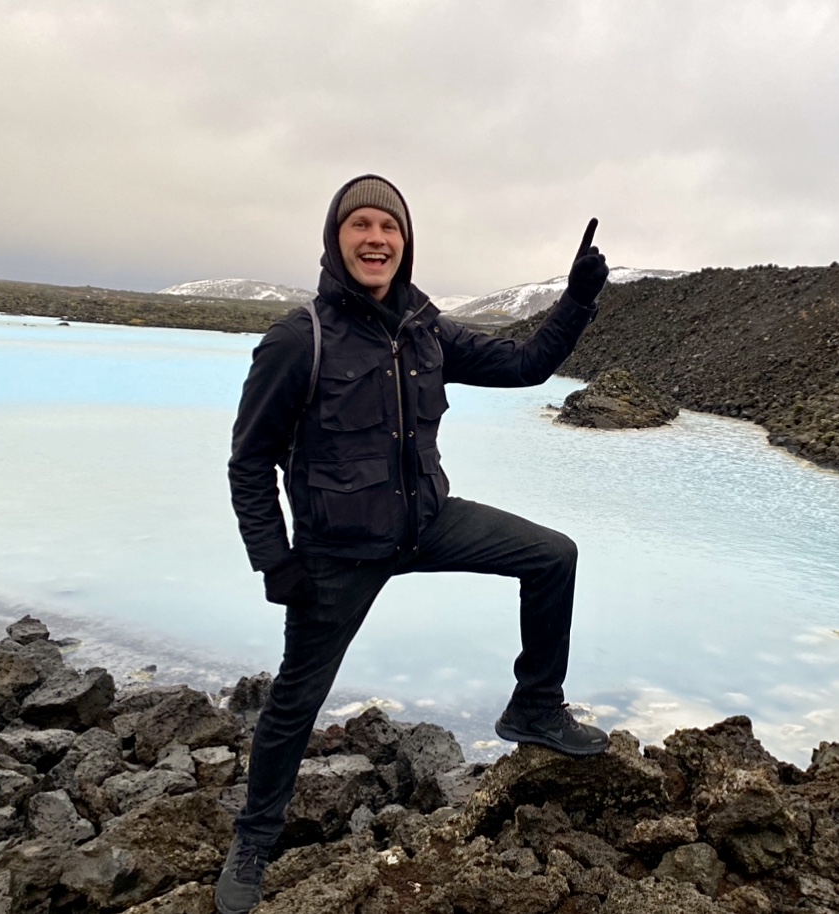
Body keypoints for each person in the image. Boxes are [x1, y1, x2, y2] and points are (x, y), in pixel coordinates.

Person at [216, 174, 610, 913]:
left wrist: (578, 301)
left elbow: (525, 364)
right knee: (296, 700)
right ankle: (254, 840)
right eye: (360, 225)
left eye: (388, 227)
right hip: (336, 552)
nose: (376, 238)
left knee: (553, 556)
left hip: (426, 522)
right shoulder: (301, 338)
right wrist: (275, 559)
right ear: (337, 240)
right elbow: (248, 460)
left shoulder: (425, 329)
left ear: (405, 242)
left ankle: (534, 707)